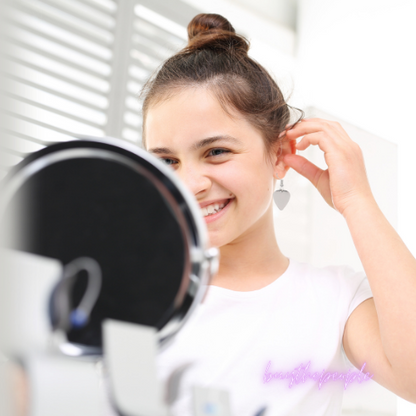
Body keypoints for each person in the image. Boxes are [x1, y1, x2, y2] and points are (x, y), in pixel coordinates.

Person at [140, 13, 416, 416]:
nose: (190, 184)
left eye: (216, 152)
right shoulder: (131, 291)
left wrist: (356, 201)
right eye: (167, 161)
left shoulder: (334, 299)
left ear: (280, 154)